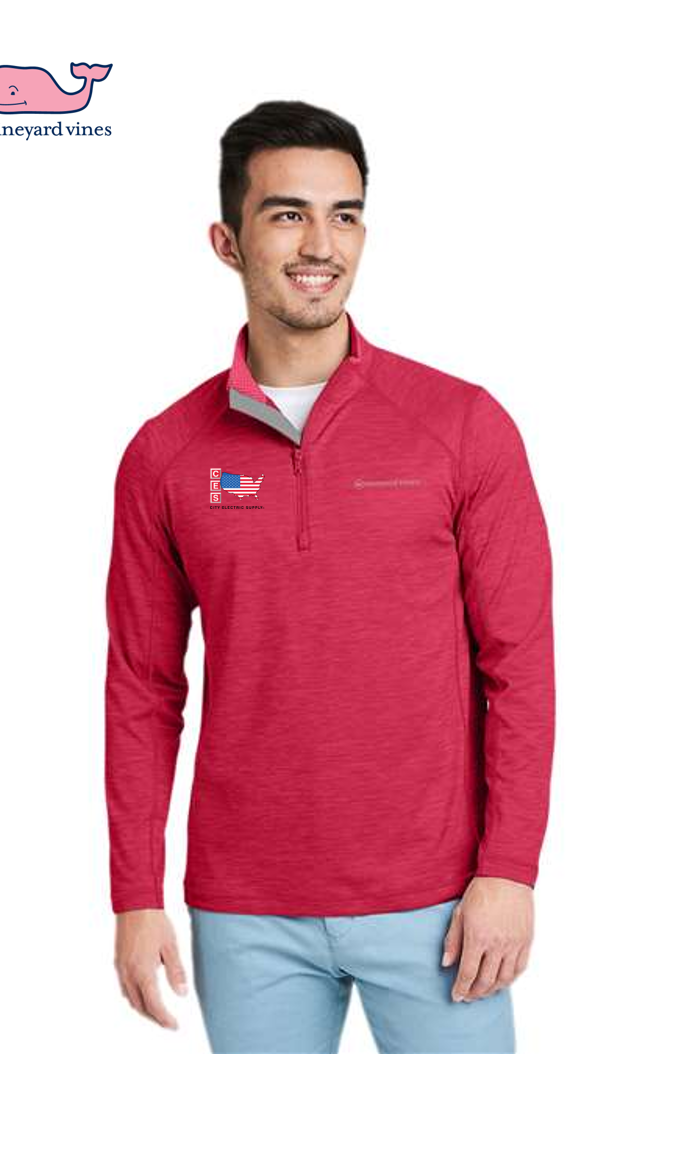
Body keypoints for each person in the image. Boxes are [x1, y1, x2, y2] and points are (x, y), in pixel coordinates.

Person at [104, 99, 556, 1053]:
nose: (320, 245)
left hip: (441, 904)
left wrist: (510, 870)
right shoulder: (165, 454)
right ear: (227, 242)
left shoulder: (462, 425)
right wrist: (135, 896)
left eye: (343, 215)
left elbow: (519, 665)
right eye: (287, 215)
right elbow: (141, 687)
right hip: (244, 911)